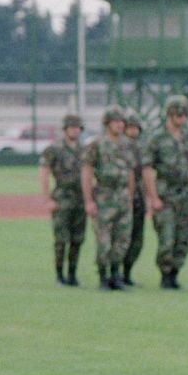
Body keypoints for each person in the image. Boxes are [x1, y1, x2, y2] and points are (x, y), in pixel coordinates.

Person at [143, 94, 188, 289]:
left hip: (185, 194)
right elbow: (147, 168)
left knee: (185, 238)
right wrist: (153, 197)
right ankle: (166, 275)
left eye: (184, 114)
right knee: (167, 238)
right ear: (169, 114)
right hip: (165, 194)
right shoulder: (157, 138)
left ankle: (175, 273)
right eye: (178, 114)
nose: (182, 118)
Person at [81, 106, 136, 291]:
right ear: (107, 124)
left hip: (122, 197)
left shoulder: (127, 144)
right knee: (104, 241)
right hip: (104, 197)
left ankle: (116, 275)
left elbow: (130, 172)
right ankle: (103, 276)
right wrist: (88, 200)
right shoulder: (96, 144)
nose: (120, 125)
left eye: (122, 122)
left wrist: (130, 195)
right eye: (116, 122)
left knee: (122, 239)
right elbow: (87, 171)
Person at [39, 113, 86, 285]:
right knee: (61, 240)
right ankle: (60, 275)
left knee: (78, 239)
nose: (75, 130)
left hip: (80, 199)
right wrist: (47, 199)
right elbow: (43, 173)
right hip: (62, 198)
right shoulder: (54, 149)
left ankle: (72, 274)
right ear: (65, 129)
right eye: (72, 127)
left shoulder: (84, 149)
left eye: (78, 127)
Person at [121, 110, 146, 285]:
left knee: (136, 238)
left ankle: (127, 273)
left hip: (139, 198)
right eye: (129, 127)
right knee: (121, 237)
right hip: (119, 198)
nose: (133, 131)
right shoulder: (116, 147)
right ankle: (114, 273)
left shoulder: (142, 149)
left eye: (136, 127)